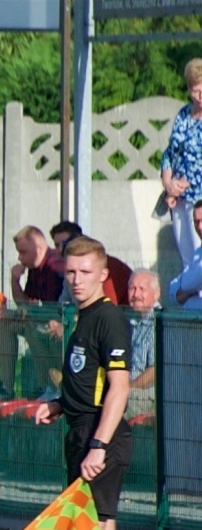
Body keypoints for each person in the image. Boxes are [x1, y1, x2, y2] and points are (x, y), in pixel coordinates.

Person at [32, 237, 133, 530]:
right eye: (70, 272)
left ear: (103, 274)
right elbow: (86, 381)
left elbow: (119, 388)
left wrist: (98, 445)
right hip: (81, 433)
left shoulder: (108, 318)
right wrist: (58, 405)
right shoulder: (83, 317)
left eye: (85, 272)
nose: (76, 280)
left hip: (99, 439)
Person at [0, 225, 63, 400]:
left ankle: (50, 387)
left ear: (39, 248)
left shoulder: (55, 266)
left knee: (30, 325)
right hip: (38, 319)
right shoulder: (34, 267)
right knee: (5, 321)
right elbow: (23, 302)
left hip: (56, 324)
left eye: (23, 252)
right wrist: (14, 280)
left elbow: (52, 309)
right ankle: (6, 387)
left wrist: (28, 311)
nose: (20, 258)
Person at [161, 58, 202, 267]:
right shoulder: (183, 115)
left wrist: (185, 183)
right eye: (196, 91)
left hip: (198, 198)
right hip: (178, 200)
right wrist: (168, 184)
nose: (201, 96)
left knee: (199, 259)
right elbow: (170, 152)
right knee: (187, 260)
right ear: (188, 90)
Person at [127, 269, 161, 415]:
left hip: (147, 396)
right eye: (132, 288)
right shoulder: (129, 321)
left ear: (156, 294)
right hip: (127, 391)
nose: (136, 294)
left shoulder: (158, 323)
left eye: (142, 289)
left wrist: (126, 389)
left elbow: (155, 372)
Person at [170, 201, 202, 310]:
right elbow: (173, 292)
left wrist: (187, 293)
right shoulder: (198, 254)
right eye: (196, 222)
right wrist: (193, 290)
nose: (200, 227)